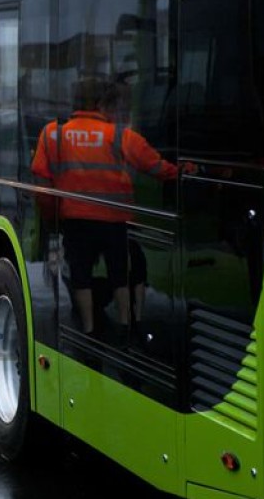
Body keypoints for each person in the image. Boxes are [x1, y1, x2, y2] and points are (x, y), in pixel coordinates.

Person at [31, 78, 181, 337]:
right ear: (101, 104)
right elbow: (156, 167)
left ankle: (89, 327)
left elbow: (41, 182)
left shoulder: (52, 134)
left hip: (75, 219)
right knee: (119, 272)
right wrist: (183, 172)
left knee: (80, 273)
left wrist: (51, 218)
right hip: (114, 220)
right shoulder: (119, 135)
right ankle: (125, 324)